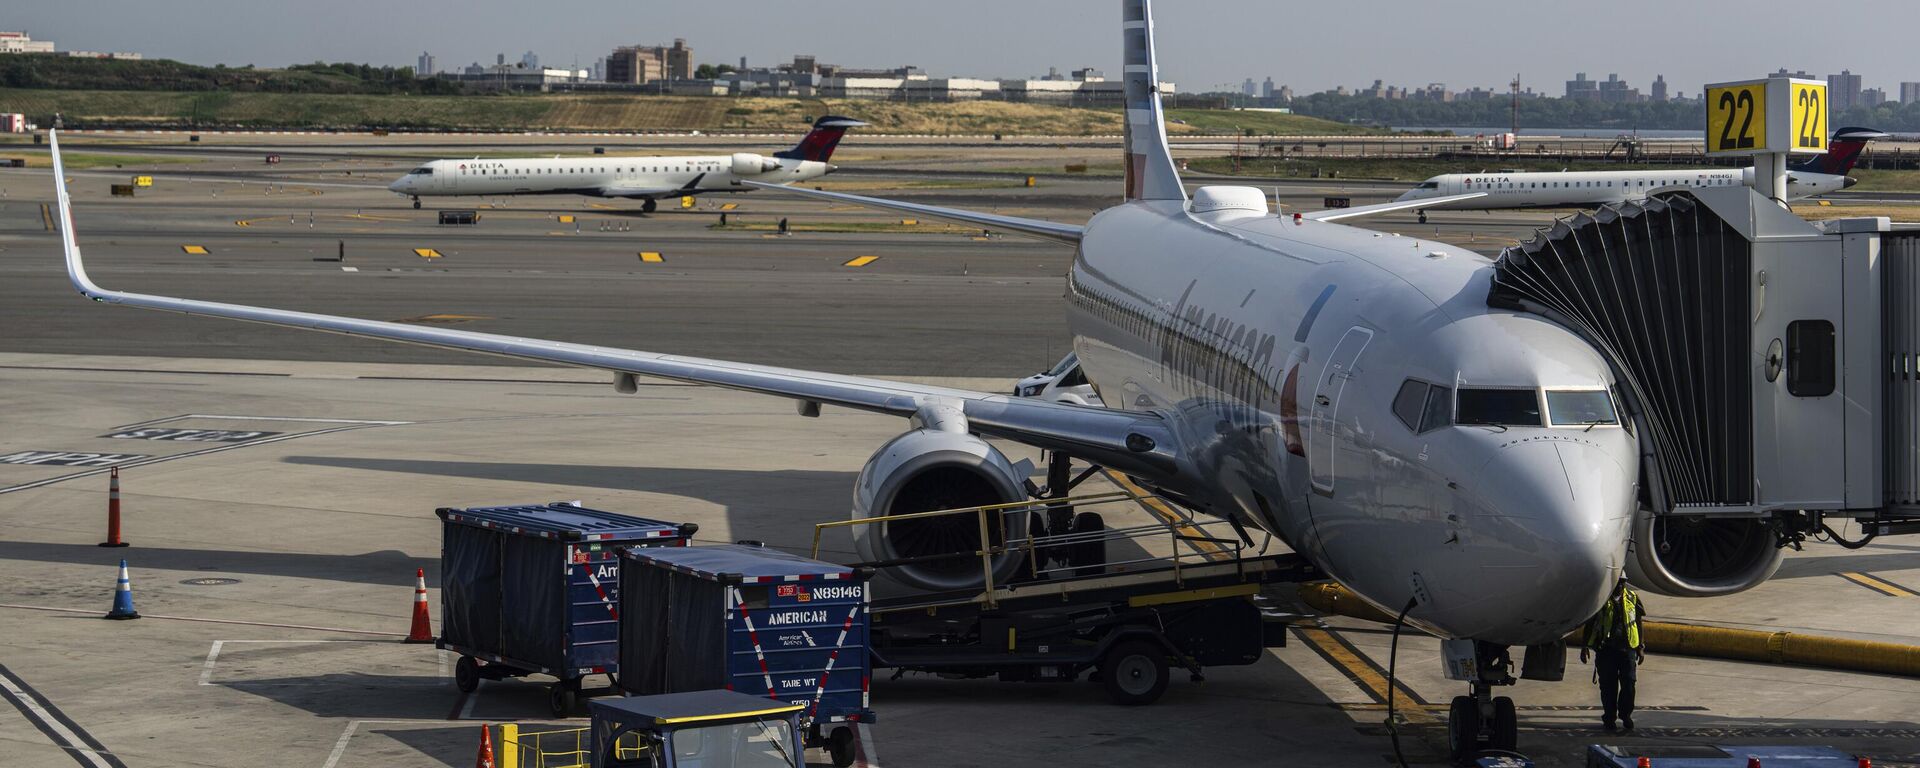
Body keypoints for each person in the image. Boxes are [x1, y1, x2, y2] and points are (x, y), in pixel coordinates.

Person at [1581, 578, 1646, 732]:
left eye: (1623, 582)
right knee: (1608, 687)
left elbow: (1638, 622)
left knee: (1629, 684)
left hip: (1627, 648)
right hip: (1606, 650)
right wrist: (1585, 647)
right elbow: (1590, 623)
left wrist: (1641, 647)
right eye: (1618, 582)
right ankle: (1609, 718)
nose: (1620, 585)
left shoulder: (1632, 597)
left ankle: (1625, 715)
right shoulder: (1600, 599)